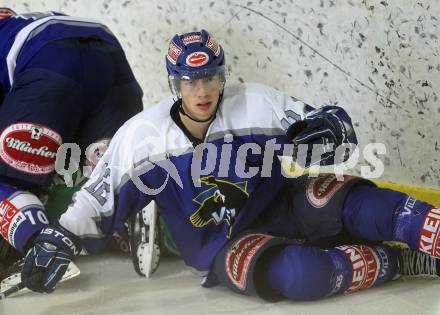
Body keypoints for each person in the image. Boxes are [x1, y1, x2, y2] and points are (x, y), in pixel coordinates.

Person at [20, 29, 440, 300]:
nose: (201, 91)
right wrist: (57, 238)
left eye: (209, 80)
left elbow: (330, 132)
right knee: (301, 276)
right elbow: (96, 199)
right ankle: (396, 262)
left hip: (287, 205)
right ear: (174, 83)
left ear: (222, 77)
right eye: (189, 81)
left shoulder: (256, 102)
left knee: (373, 208)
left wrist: (332, 128)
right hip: (221, 245)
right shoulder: (141, 137)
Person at [0, 8, 143, 282]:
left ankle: (41, 248)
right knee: (100, 173)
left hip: (50, 65)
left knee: (10, 181)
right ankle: (132, 217)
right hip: (112, 61)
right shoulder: (20, 22)